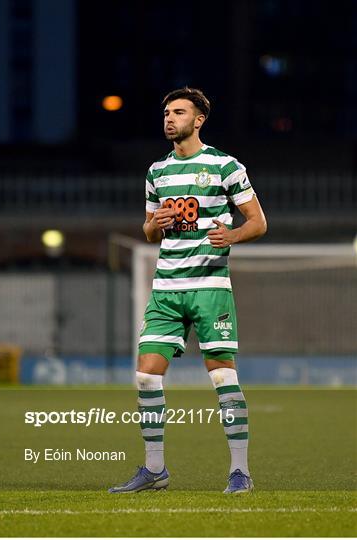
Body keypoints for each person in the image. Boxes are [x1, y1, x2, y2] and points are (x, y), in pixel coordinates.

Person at [109, 87, 267, 494]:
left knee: (222, 376)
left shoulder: (224, 166)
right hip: (167, 287)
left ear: (198, 120)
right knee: (146, 377)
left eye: (178, 112)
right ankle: (155, 470)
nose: (169, 118)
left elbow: (257, 222)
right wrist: (155, 223)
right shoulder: (156, 172)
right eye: (166, 112)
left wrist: (230, 235)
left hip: (209, 288)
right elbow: (147, 231)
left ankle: (240, 472)